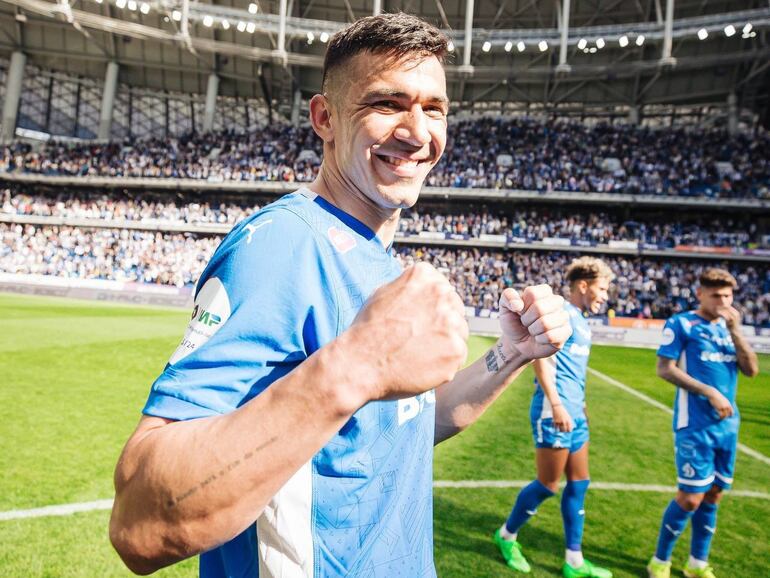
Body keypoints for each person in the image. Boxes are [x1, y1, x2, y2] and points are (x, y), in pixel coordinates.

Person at [108, 13, 572, 578]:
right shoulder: (283, 244)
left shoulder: (378, 262)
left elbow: (397, 431)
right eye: (387, 104)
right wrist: (354, 366)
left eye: (434, 108)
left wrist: (510, 354)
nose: (418, 132)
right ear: (324, 118)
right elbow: (141, 523)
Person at [494, 256, 614, 578]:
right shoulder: (562, 315)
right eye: (602, 289)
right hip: (553, 411)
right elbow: (542, 360)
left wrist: (581, 404)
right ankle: (506, 535)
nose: (605, 296)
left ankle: (574, 561)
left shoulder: (584, 322)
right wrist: (557, 403)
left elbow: (576, 373)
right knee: (548, 485)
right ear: (583, 285)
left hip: (576, 414)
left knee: (579, 483)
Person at [647, 268, 759, 578]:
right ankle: (660, 560)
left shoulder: (729, 329)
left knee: (714, 495)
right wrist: (708, 391)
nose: (722, 301)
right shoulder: (682, 323)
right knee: (690, 496)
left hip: (728, 428)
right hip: (694, 426)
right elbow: (664, 369)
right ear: (700, 294)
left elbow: (751, 371)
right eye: (716, 295)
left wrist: (736, 331)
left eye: (727, 295)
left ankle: (697, 563)